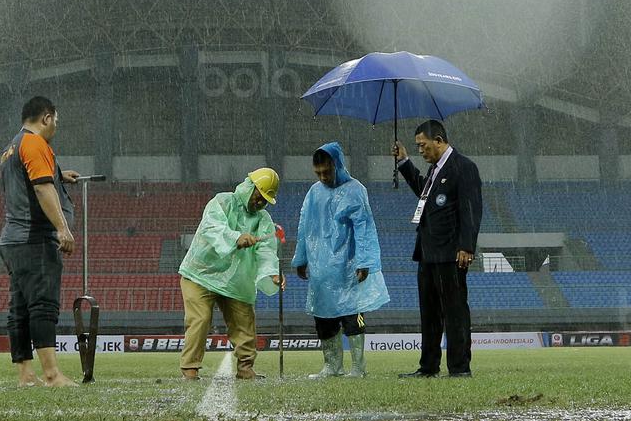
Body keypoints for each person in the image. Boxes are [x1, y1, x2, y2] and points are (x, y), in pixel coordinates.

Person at [0, 96, 81, 388]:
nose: (55, 127)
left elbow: (32, 181)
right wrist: (62, 229)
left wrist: (59, 175)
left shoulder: (10, 148)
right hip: (34, 239)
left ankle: (26, 375)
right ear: (46, 117)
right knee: (43, 305)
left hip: (12, 240)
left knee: (19, 307)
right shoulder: (35, 144)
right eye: (55, 121)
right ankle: (52, 374)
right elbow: (42, 188)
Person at [391, 119, 482, 378]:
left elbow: (471, 209)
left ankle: (459, 368)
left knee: (455, 313)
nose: (421, 150)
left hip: (451, 252)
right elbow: (424, 194)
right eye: (417, 147)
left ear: (439, 141)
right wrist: (405, 162)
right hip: (428, 252)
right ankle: (428, 367)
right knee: (429, 314)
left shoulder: (463, 168)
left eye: (423, 145)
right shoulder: (434, 170)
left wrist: (466, 246)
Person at [293, 142, 389, 379]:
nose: (323, 177)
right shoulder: (314, 193)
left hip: (348, 267)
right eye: (319, 173)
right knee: (323, 318)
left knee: (352, 317)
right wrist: (301, 258)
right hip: (321, 269)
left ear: (337, 165)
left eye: (327, 171)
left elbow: (364, 227)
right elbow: (304, 226)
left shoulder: (355, 189)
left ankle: (358, 367)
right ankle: (332, 365)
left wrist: (364, 261)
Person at [178, 167, 284, 381]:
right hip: (200, 274)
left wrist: (272, 273)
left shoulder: (263, 220)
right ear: (250, 187)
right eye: (259, 196)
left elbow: (266, 252)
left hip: (235, 281)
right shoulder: (222, 202)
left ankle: (246, 368)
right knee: (200, 318)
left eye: (265, 200)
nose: (261, 203)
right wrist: (236, 237)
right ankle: (190, 368)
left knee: (244, 321)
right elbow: (211, 228)